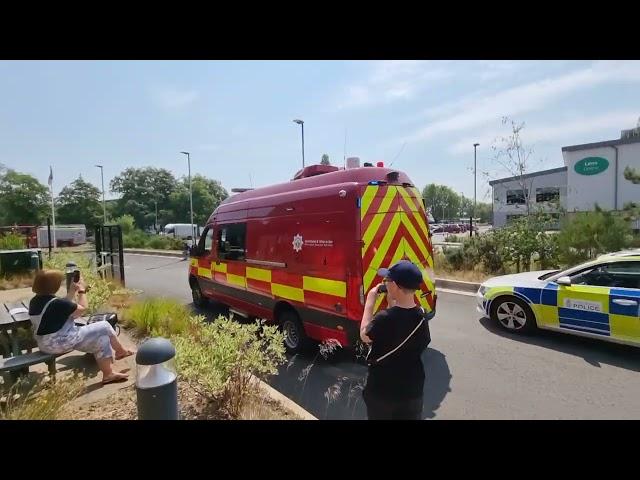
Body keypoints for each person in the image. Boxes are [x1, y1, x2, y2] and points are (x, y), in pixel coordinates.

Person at [29, 269, 134, 385]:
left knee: (102, 339)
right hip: (61, 342)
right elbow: (82, 309)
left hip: (46, 344)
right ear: (54, 285)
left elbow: (63, 308)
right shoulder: (57, 303)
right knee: (104, 326)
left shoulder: (36, 301)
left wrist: (71, 292)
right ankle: (121, 351)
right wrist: (82, 291)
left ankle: (108, 374)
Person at [360, 260, 431, 420]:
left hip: (383, 394)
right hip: (412, 393)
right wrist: (392, 303)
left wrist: (370, 301)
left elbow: (364, 335)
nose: (385, 283)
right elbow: (401, 322)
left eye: (387, 280)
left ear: (395, 285)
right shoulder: (422, 316)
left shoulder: (384, 318)